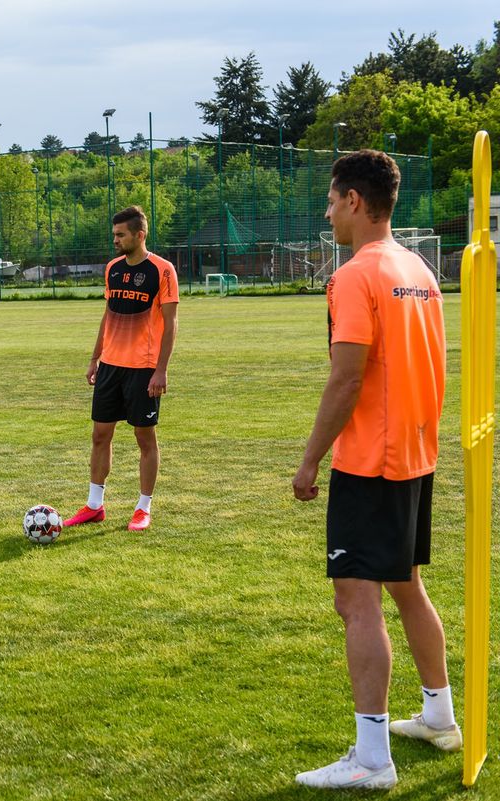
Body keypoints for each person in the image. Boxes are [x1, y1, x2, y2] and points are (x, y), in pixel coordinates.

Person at [292, 150, 457, 790]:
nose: (327, 212)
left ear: (354, 201)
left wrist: (310, 460)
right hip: (415, 454)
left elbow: (347, 376)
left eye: (331, 201)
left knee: (356, 598)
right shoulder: (419, 268)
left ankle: (371, 758)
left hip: (370, 461)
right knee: (405, 584)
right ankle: (440, 718)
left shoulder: (356, 276)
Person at [64, 206, 178, 532]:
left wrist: (161, 370)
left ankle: (143, 508)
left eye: (120, 235)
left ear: (139, 235)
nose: (115, 240)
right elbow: (108, 314)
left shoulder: (162, 270)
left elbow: (171, 325)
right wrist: (94, 357)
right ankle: (94, 505)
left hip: (143, 369)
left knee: (145, 438)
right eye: (114, 234)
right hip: (110, 367)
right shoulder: (112, 269)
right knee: (100, 435)